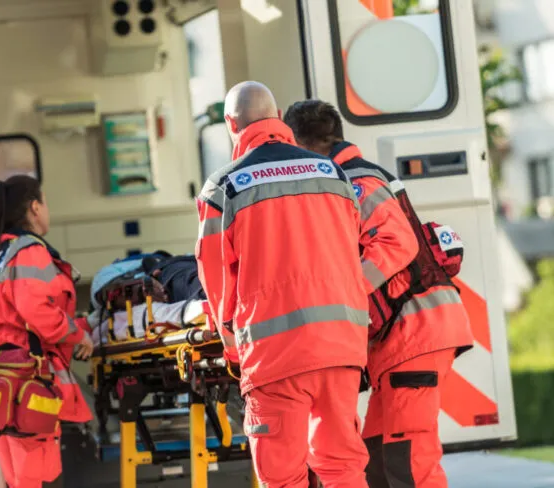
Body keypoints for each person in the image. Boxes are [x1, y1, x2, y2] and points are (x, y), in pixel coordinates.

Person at [284, 100, 474, 488]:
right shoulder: (351, 177)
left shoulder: (356, 180)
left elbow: (396, 242)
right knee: (376, 460)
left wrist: (342, 293)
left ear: (307, 144)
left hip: (415, 333)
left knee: (410, 462)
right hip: (402, 338)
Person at [196, 82, 370, 488]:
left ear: (230, 124)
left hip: (275, 357)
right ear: (277, 117)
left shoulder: (223, 188)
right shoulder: (334, 174)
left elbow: (217, 282)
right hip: (341, 347)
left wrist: (234, 352)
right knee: (344, 468)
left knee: (284, 477)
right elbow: (352, 249)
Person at [0, 175, 93, 488]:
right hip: (28, 386)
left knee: (20, 481)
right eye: (44, 202)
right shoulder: (30, 252)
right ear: (35, 208)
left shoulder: (1, 256)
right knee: (40, 478)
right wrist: (79, 334)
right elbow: (36, 311)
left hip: (4, 384)